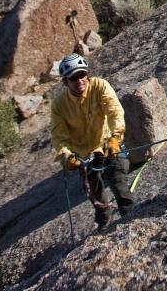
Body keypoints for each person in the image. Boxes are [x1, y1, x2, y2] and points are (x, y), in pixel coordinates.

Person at [51, 53, 134, 230]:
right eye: (73, 77)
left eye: (82, 74)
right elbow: (59, 136)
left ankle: (132, 222)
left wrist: (116, 136)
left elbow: (114, 112)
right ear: (65, 82)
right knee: (96, 197)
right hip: (84, 155)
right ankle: (104, 223)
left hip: (108, 144)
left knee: (119, 184)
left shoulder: (100, 86)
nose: (79, 80)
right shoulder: (59, 105)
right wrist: (66, 155)